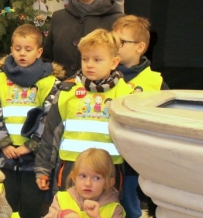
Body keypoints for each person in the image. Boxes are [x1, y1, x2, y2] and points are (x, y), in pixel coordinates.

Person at [0, 24, 64, 218]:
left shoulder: (49, 82)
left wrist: (29, 146)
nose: (22, 53)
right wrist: (5, 144)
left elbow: (50, 119)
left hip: (33, 160)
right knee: (5, 201)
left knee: (31, 204)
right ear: (11, 49)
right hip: (5, 157)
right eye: (17, 48)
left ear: (39, 52)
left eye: (28, 49)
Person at [34, 29, 132, 195]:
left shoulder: (125, 95)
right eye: (85, 59)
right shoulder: (67, 91)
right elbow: (51, 132)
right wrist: (43, 169)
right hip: (71, 169)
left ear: (114, 62)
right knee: (66, 216)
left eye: (97, 59)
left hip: (107, 172)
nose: (89, 64)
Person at [112, 15, 168, 218]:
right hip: (104, 157)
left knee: (131, 208)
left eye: (121, 41)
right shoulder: (104, 74)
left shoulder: (155, 82)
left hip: (133, 161)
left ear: (140, 47)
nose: (115, 45)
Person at [42, 0, 124, 75]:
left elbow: (122, 62)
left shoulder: (117, 20)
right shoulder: (58, 18)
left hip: (102, 92)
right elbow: (46, 59)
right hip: (61, 91)